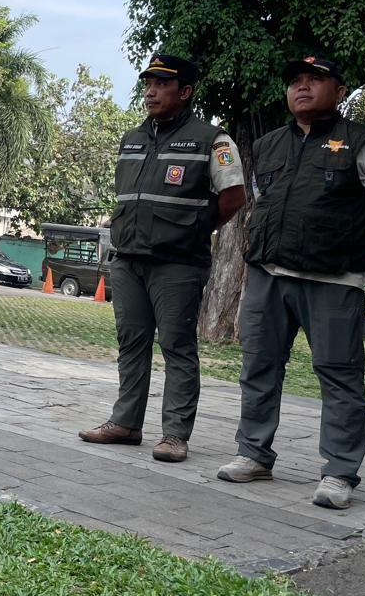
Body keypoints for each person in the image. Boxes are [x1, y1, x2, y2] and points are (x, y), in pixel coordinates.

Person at [217, 55, 365, 510]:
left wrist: (337, 237)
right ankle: (254, 454)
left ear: (340, 91)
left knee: (339, 375)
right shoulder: (267, 145)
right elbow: (260, 199)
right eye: (295, 82)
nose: (302, 88)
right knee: (259, 366)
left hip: (333, 279)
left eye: (314, 80)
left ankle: (339, 472)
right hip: (268, 274)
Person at [78, 54, 246, 463]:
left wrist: (193, 226)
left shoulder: (212, 139)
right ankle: (126, 423)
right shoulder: (132, 138)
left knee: (176, 346)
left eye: (161, 84)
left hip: (178, 263)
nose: (150, 91)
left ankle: (174, 435)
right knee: (131, 343)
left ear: (185, 92)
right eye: (148, 83)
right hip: (128, 258)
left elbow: (234, 196)